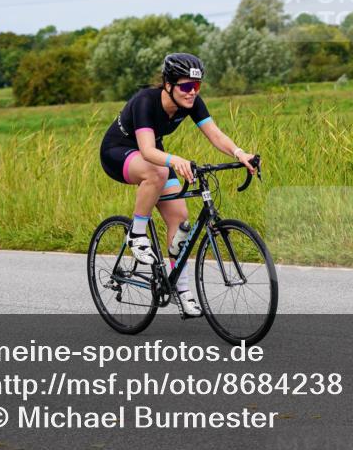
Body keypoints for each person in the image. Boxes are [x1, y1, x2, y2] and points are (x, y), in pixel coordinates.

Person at [99, 52, 257, 317]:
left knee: (181, 221)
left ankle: (180, 291)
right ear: (168, 85)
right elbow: (148, 151)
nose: (191, 92)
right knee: (159, 171)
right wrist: (175, 160)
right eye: (185, 86)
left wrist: (240, 153)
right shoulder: (145, 102)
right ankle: (136, 235)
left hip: (153, 158)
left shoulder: (191, 102)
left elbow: (215, 135)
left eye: (196, 86)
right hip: (118, 152)